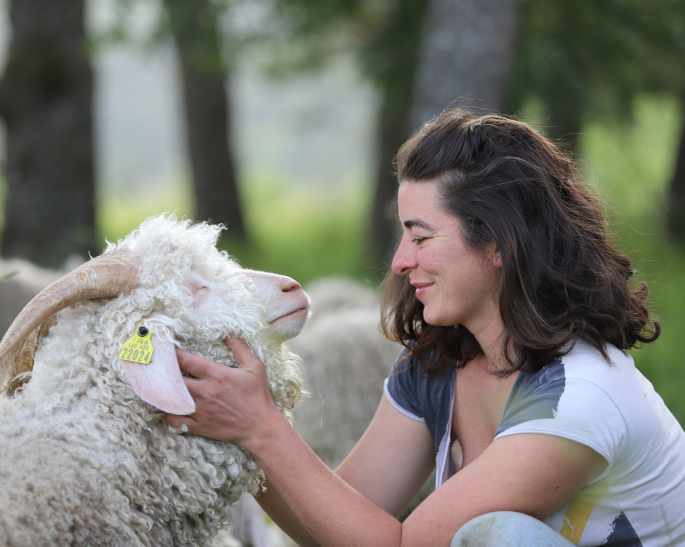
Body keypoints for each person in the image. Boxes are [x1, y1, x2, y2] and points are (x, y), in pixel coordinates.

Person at [166, 109, 685, 546]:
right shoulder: (438, 363)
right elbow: (333, 523)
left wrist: (261, 424)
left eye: (420, 237)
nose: (397, 262)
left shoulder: (579, 396)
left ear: (500, 242)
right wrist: (238, 433)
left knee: (498, 536)